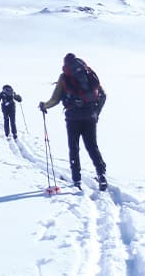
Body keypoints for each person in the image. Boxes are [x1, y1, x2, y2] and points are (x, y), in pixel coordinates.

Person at [38, 53, 108, 190]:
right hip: (90, 117)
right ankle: (101, 175)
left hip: (73, 118)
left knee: (74, 148)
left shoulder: (64, 77)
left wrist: (44, 106)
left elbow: (55, 99)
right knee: (92, 146)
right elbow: (103, 95)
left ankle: (77, 180)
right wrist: (96, 114)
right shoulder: (88, 72)